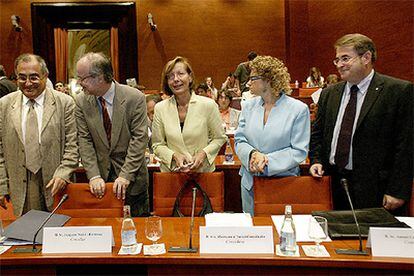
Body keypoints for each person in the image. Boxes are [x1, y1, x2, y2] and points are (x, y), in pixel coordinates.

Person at [309, 33, 413, 213]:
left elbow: (406, 146)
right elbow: (318, 134)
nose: (339, 64)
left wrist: (397, 190)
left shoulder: (398, 91)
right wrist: (316, 160)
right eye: (337, 60)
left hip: (376, 189)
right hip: (334, 184)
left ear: (366, 57)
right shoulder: (329, 93)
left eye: (345, 58)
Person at [0, 54, 78, 216]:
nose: (28, 83)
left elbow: (73, 145)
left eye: (34, 77)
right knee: (27, 236)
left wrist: (63, 174)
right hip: (22, 185)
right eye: (22, 78)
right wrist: (2, 185)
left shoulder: (65, 103)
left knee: (59, 235)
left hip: (58, 184)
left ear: (45, 76)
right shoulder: (5, 104)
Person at [75, 52, 149, 217]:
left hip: (133, 182)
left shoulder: (134, 98)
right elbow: (84, 140)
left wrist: (126, 175)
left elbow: (139, 139)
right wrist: (93, 175)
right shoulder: (81, 102)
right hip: (101, 184)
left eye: (82, 78)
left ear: (99, 77)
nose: (79, 83)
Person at [235, 55, 310, 216]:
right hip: (250, 183)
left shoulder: (298, 109)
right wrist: (253, 155)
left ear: (268, 80)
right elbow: (240, 140)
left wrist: (267, 161)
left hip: (282, 183)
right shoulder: (248, 106)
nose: (248, 83)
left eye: (253, 78)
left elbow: (298, 151)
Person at [152, 56, 227, 172]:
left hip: (202, 173)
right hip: (172, 174)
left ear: (190, 77)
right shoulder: (160, 108)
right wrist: (174, 156)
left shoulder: (208, 105)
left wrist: (204, 154)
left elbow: (219, 138)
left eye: (180, 74)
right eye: (170, 76)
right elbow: (157, 145)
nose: (176, 79)